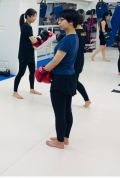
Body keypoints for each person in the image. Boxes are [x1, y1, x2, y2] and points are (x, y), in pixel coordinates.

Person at [41, 9, 80, 149]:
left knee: (59, 112)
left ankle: (59, 141)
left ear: (71, 22)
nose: (59, 22)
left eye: (62, 19)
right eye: (58, 19)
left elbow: (56, 61)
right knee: (67, 110)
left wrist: (42, 70)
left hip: (61, 78)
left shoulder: (67, 40)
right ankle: (65, 138)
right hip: (70, 76)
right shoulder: (74, 37)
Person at [12, 8, 43, 99]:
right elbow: (33, 40)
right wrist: (40, 38)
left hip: (30, 53)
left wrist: (37, 38)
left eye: (35, 16)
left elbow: (32, 39)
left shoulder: (28, 26)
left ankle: (32, 89)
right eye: (33, 16)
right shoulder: (25, 26)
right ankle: (15, 92)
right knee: (21, 73)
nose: (35, 18)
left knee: (32, 72)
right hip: (24, 54)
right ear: (28, 16)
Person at [74, 9, 91, 107]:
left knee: (74, 81)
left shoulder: (75, 32)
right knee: (74, 80)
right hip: (80, 58)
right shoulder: (83, 30)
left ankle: (86, 99)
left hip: (75, 58)